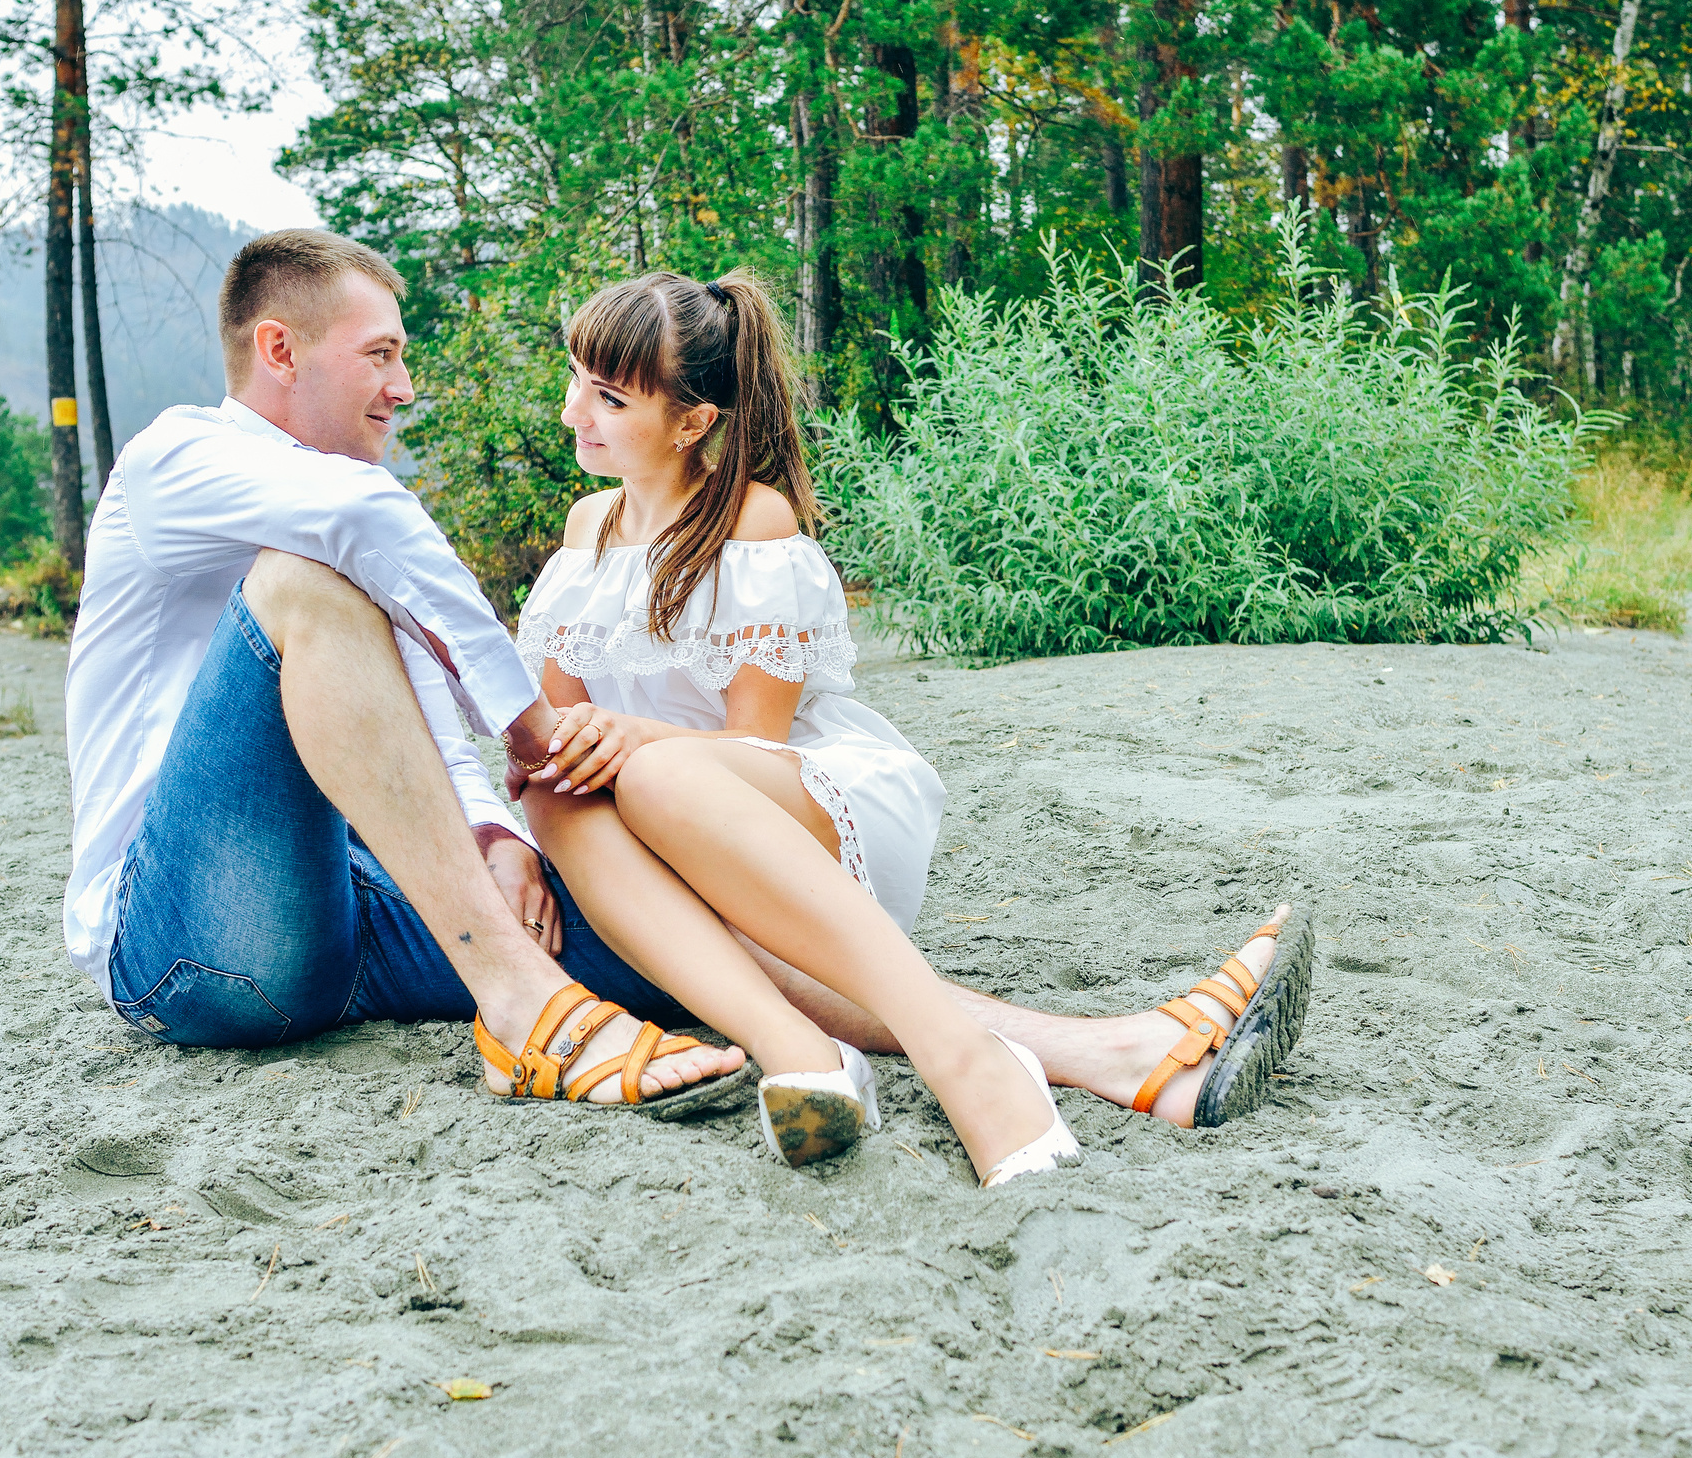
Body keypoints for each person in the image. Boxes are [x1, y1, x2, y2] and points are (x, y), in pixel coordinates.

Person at [509, 269, 1310, 1186]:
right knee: (552, 787)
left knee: (654, 778)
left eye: (610, 397)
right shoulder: (586, 531)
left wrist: (636, 739)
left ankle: (969, 1058)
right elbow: (561, 725)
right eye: (575, 378)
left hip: (786, 800)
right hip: (654, 836)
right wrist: (532, 794)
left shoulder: (751, 521)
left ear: (693, 422)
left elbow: (753, 745)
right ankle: (1104, 1054)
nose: (577, 412)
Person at [61, 229, 749, 1114]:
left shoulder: (330, 503)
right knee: (300, 582)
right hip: (185, 943)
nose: (404, 386)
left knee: (660, 931)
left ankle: (947, 1023)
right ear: (280, 350)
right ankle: (520, 1002)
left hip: (344, 923)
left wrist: (492, 831)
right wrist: (530, 728)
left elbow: (403, 679)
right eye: (380, 355)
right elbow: (368, 520)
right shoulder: (172, 462)